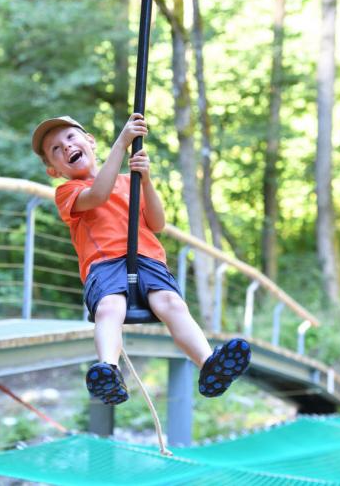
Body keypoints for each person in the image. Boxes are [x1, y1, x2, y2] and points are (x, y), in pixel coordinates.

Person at [31, 114, 251, 405]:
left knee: (171, 303)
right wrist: (122, 144)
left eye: (70, 138)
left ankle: (209, 364)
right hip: (105, 263)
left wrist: (145, 181)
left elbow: (156, 223)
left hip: (147, 257)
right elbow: (98, 195)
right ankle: (108, 370)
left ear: (90, 142)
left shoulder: (129, 181)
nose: (65, 146)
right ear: (53, 170)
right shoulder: (68, 191)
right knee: (109, 307)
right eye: (55, 149)